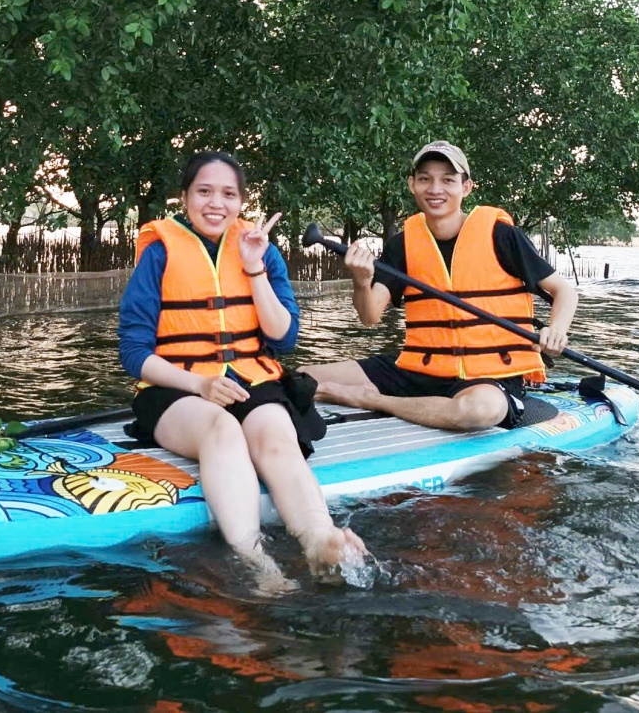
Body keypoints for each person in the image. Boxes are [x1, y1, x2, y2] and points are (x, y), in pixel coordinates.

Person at [119, 151, 366, 584]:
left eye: (228, 194)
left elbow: (284, 338)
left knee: (276, 438)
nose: (216, 203)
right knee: (223, 431)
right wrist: (199, 384)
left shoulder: (262, 252)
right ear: (184, 198)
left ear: (241, 202)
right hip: (177, 388)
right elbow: (134, 354)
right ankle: (257, 563)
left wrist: (254, 268)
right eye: (204, 192)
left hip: (252, 380)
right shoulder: (159, 255)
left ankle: (319, 539)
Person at [302, 141, 573, 431]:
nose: (435, 189)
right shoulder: (402, 245)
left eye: (447, 180)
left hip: (490, 374)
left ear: (466, 187)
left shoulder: (501, 235)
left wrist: (556, 329)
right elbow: (370, 317)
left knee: (480, 411)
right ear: (412, 185)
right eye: (425, 179)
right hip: (423, 368)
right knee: (300, 377)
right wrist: (361, 279)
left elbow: (564, 291)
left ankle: (373, 400)